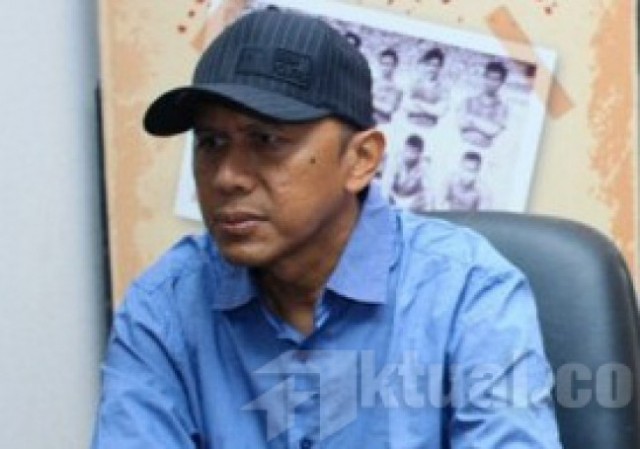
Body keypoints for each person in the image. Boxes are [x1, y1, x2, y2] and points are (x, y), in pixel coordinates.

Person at [91, 8, 561, 449]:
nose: (227, 177)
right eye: (211, 142)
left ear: (361, 160)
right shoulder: (166, 305)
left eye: (266, 140)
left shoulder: (467, 291)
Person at [458, 60, 509, 149]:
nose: (491, 83)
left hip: (485, 150)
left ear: (502, 83)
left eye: (495, 79)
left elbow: (493, 130)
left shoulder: (502, 108)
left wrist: (472, 120)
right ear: (484, 78)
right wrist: (485, 125)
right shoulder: (469, 101)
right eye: (488, 78)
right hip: (463, 146)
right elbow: (461, 123)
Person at [389, 134, 435, 212]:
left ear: (420, 154)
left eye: (413, 152)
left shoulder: (425, 167)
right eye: (407, 150)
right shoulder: (396, 160)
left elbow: (429, 193)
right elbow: (386, 184)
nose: (408, 154)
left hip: (414, 202)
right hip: (394, 198)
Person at [405, 47, 449, 127]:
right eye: (429, 64)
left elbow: (440, 111)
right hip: (410, 124)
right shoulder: (414, 84)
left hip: (430, 128)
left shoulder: (443, 89)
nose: (432, 68)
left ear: (440, 68)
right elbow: (406, 105)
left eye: (435, 65)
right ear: (425, 65)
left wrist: (418, 103)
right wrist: (430, 109)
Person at [372, 48, 403, 124]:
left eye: (389, 64)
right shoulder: (371, 82)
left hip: (381, 123)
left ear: (395, 66)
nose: (386, 68)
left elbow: (388, 108)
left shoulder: (397, 89)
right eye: (383, 64)